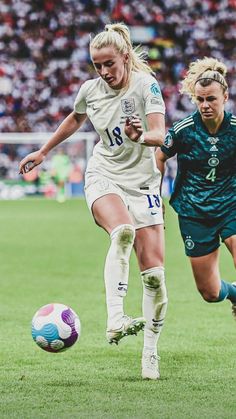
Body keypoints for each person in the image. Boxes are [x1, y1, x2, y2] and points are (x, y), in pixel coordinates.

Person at [19, 22, 168, 380]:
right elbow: (76, 117)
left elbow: (160, 134)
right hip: (104, 174)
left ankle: (151, 352)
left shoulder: (146, 86)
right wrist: (44, 150)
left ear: (125, 57)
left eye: (109, 65)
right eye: (97, 65)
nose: (103, 72)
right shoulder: (92, 89)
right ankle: (115, 318)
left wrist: (141, 136)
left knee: (155, 278)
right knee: (122, 232)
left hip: (144, 184)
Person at [156, 57, 236, 320]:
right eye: (200, 99)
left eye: (211, 99)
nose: (205, 105)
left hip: (230, 205)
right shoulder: (183, 130)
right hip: (194, 212)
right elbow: (160, 156)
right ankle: (233, 294)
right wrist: (155, 200)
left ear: (225, 97)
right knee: (210, 292)